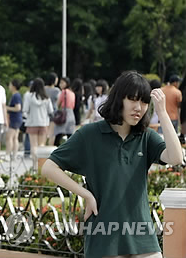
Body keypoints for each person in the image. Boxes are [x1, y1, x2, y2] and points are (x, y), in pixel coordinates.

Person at [42, 71, 183, 258]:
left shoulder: (146, 137)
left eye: (144, 102)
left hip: (142, 236)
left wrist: (162, 113)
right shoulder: (90, 134)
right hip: (104, 237)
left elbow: (176, 158)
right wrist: (86, 194)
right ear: (118, 99)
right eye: (132, 100)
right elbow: (49, 167)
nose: (138, 108)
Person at [23, 78, 53, 170]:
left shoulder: (28, 96)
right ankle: (41, 165)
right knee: (41, 145)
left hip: (32, 123)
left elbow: (25, 109)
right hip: (43, 123)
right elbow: (51, 111)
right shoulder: (46, 97)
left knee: (33, 145)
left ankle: (34, 165)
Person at [53, 77, 76, 146]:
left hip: (64, 114)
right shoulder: (72, 93)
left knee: (58, 134)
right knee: (70, 135)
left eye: (62, 83)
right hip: (71, 114)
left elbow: (57, 104)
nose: (60, 84)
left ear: (67, 83)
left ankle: (56, 152)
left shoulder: (64, 92)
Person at [5, 79, 22, 160]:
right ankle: (14, 155)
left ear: (14, 86)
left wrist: (6, 107)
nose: (9, 86)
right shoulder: (17, 95)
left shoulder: (16, 95)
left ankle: (8, 154)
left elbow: (18, 108)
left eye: (10, 85)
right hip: (18, 118)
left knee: (9, 137)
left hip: (14, 119)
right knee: (15, 137)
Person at [45, 72, 61, 146]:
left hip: (44, 113)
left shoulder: (43, 89)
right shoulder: (56, 90)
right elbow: (59, 101)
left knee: (44, 133)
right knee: (52, 133)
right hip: (53, 112)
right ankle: (50, 149)